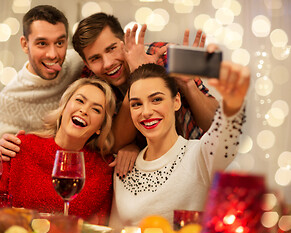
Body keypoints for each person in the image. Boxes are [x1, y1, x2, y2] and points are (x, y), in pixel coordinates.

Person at [109, 60, 250, 230]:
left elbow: (229, 134)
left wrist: (233, 99)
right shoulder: (124, 167)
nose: (146, 112)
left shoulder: (199, 154)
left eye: (156, 100)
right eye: (136, 104)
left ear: (176, 102)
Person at [72, 13, 219, 174]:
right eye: (95, 58)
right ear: (87, 63)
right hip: (147, 171)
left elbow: (216, 124)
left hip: (197, 162)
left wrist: (188, 84)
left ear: (125, 42)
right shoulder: (91, 80)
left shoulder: (164, 55)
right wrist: (138, 76)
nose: (108, 63)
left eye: (112, 49)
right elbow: (112, 143)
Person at [0, 78, 116, 225]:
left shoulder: (104, 169)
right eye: (80, 101)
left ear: (100, 127)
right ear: (64, 106)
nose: (84, 110)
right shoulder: (20, 147)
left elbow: (99, 230)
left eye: (96, 109)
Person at [0, 5, 84, 159]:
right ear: (24, 44)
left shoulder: (79, 62)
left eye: (59, 43)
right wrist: (1, 148)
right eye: (42, 43)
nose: (53, 54)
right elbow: (9, 159)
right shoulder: (8, 100)